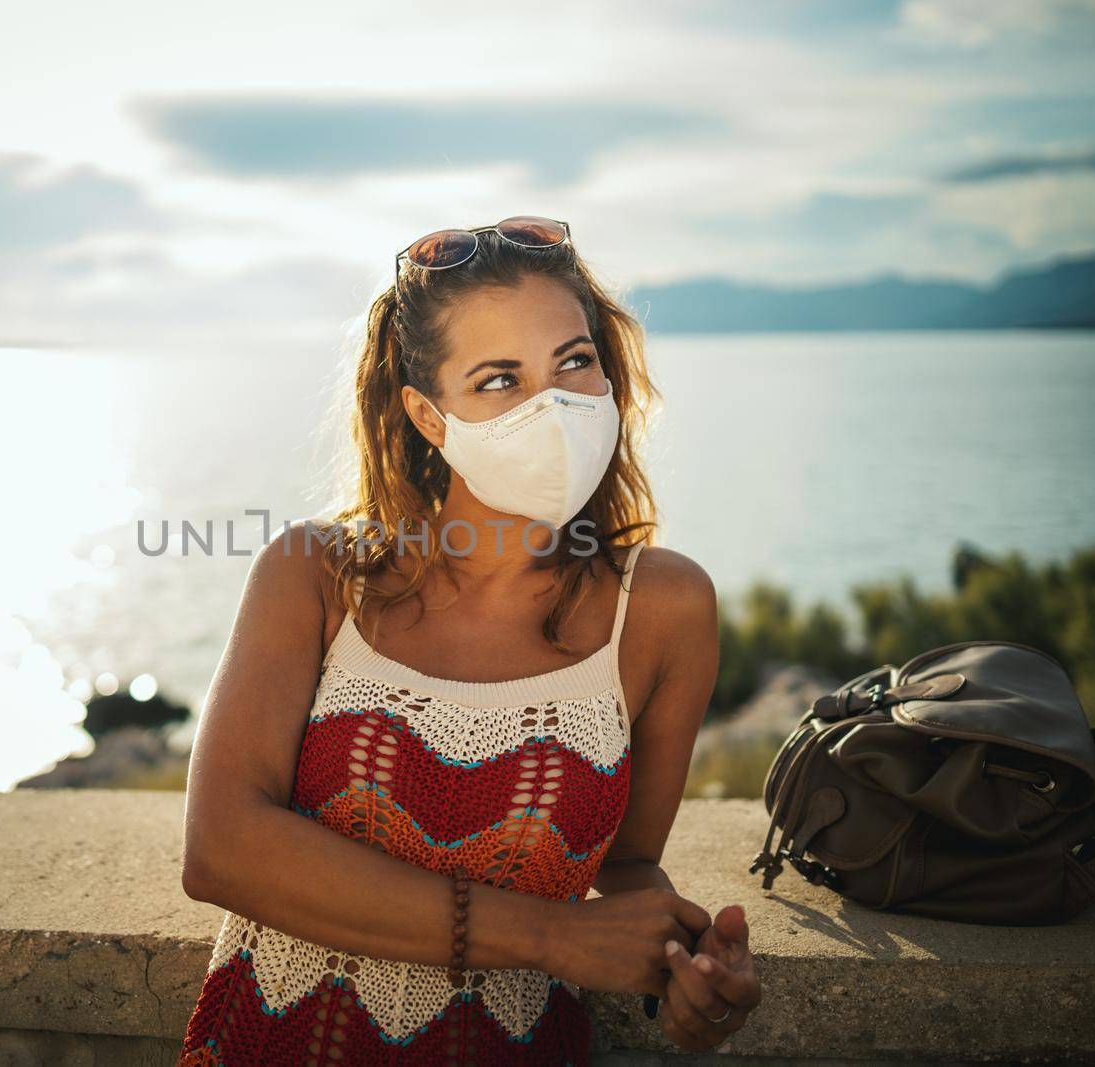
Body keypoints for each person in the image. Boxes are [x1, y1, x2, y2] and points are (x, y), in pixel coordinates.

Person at [175, 217, 761, 1065]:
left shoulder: (665, 608)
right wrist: (549, 937)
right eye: (498, 380)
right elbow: (222, 846)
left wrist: (683, 967)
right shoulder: (315, 575)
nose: (554, 405)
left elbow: (627, 864)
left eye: (573, 361)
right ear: (428, 414)